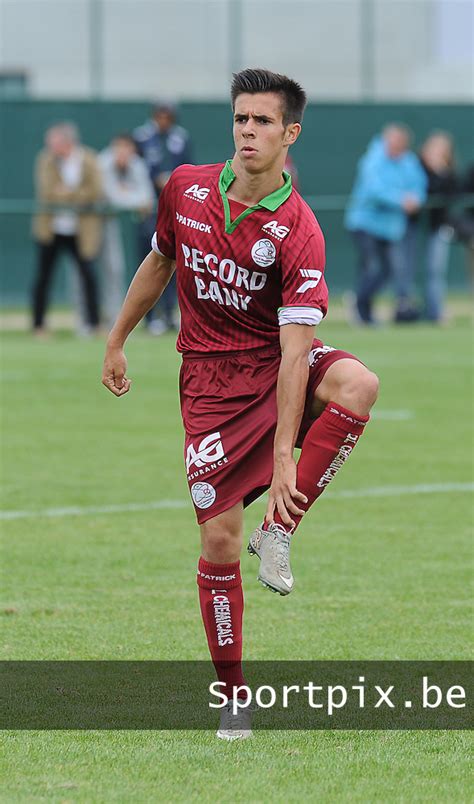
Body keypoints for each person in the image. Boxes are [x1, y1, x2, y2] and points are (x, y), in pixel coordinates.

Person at [102, 68, 379, 740]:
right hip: (208, 387)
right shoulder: (186, 188)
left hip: (272, 364)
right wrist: (116, 339)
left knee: (358, 384)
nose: (248, 131)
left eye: (262, 121)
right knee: (220, 542)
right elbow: (159, 263)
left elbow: (294, 351)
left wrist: (285, 454)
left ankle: (280, 528)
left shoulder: (297, 228)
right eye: (240, 119)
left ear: (291, 134)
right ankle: (234, 697)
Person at [345, 124, 427, 325]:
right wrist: (401, 200)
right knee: (372, 267)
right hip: (364, 224)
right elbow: (374, 190)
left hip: (391, 229)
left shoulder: (409, 162)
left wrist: (415, 199)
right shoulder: (373, 160)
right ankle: (361, 309)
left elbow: (419, 186)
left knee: (387, 271)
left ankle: (361, 302)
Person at [32, 122, 102, 336]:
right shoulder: (45, 160)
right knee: (43, 277)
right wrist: (75, 194)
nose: (50, 147)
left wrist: (68, 193)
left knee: (89, 276)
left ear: (67, 142)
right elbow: (47, 193)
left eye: (54, 142)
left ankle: (94, 323)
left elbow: (95, 191)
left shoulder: (88, 159)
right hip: (51, 229)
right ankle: (39, 325)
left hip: (80, 231)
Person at [133, 101, 193, 334]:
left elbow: (189, 167)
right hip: (148, 206)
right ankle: (149, 318)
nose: (163, 120)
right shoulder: (142, 137)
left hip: (174, 206)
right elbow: (136, 170)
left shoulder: (181, 138)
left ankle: (169, 314)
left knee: (173, 261)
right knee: (149, 261)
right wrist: (154, 181)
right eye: (160, 116)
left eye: (167, 116)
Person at [98, 134, 155, 328]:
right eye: (118, 149)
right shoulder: (103, 164)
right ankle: (92, 319)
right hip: (95, 221)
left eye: (126, 149)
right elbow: (113, 197)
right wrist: (132, 198)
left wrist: (126, 194)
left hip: (117, 221)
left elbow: (147, 197)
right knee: (89, 272)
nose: (122, 154)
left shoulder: (137, 165)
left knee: (115, 269)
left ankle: (115, 317)